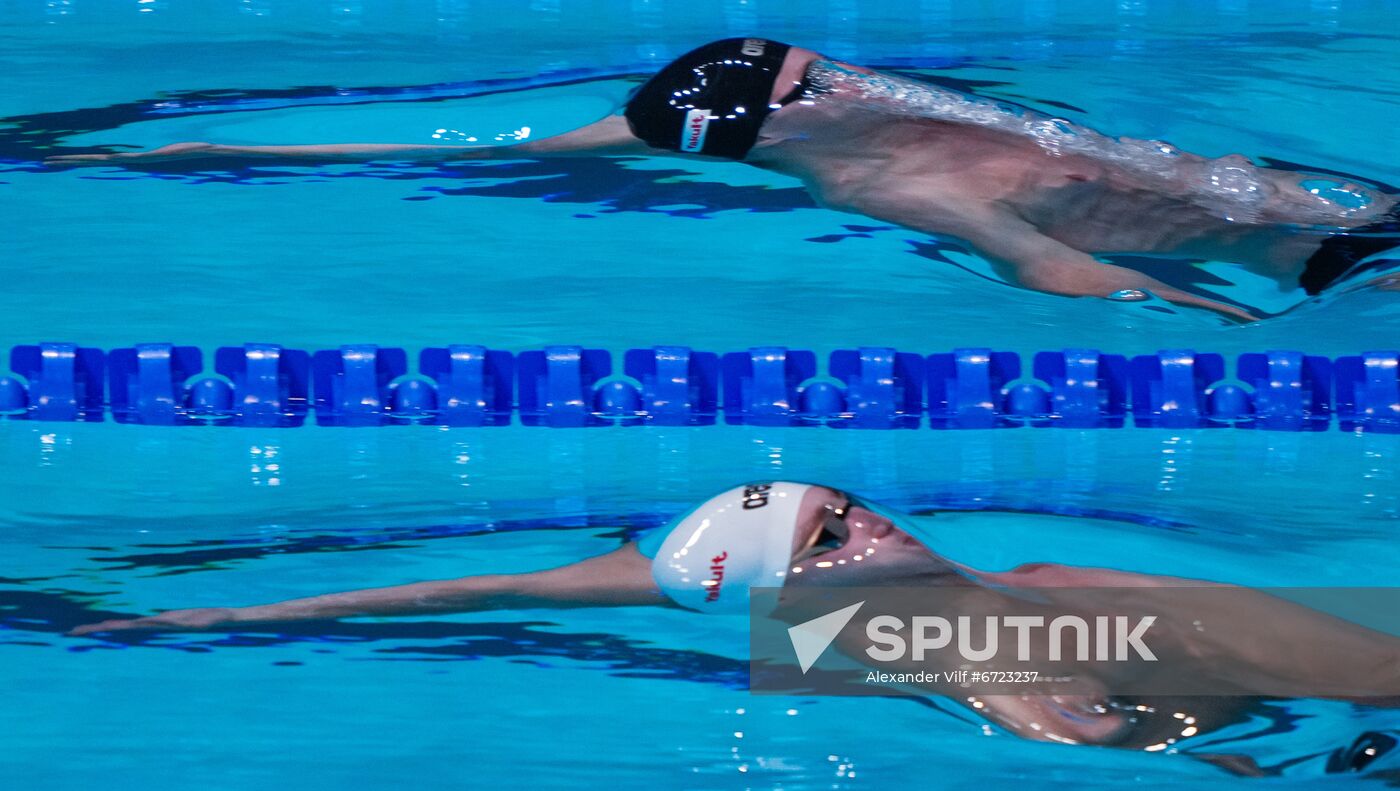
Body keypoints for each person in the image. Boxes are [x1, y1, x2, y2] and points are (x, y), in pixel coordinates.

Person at [69, 481, 1400, 771]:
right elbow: (500, 590)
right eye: (833, 540)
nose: (874, 529)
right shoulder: (917, 653)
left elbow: (527, 588)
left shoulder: (1054, 581)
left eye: (857, 508)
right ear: (795, 588)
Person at [46, 38, 1400, 322]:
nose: (831, 71)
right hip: (1326, 254)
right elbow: (1052, 268)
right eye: (807, 80)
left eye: (809, 60)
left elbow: (485, 148)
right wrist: (1231, 330)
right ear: (789, 120)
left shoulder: (854, 117)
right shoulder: (881, 182)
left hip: (1318, 203)